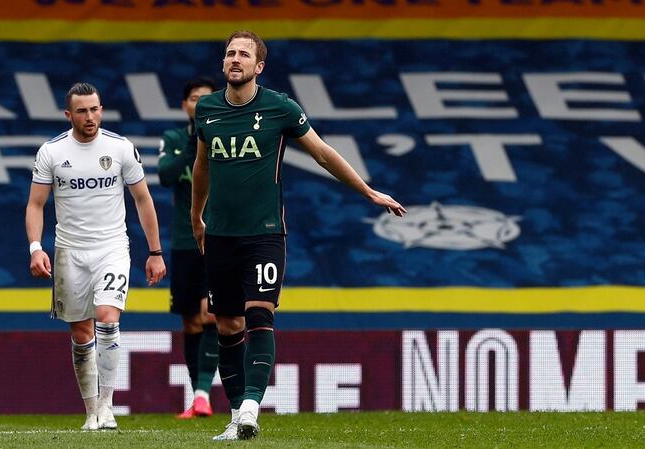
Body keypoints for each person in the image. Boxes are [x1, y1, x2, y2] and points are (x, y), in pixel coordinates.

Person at [191, 31, 407, 441]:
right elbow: (202, 166)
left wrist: (368, 191)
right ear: (223, 64)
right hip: (220, 234)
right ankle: (236, 416)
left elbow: (323, 153)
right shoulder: (207, 109)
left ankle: (252, 405)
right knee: (226, 325)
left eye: (244, 54)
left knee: (259, 314)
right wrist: (196, 217)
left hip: (265, 233)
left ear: (259, 67)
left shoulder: (279, 108)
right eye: (230, 53)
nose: (235, 59)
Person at [26, 82, 166, 431]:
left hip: (112, 249)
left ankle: (107, 406)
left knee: (106, 317)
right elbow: (36, 204)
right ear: (68, 114)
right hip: (69, 252)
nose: (91, 117)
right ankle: (91, 412)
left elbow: (143, 199)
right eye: (83, 111)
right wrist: (35, 247)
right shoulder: (52, 152)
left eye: (96, 109)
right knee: (80, 331)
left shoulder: (120, 148)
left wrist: (155, 251)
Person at [157, 76, 220, 419]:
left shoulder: (227, 137)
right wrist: (195, 142)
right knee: (191, 322)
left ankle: (202, 394)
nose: (199, 103)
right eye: (194, 98)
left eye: (205, 98)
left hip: (219, 238)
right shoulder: (174, 139)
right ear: (185, 105)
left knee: (210, 313)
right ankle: (198, 398)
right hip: (184, 240)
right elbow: (165, 175)